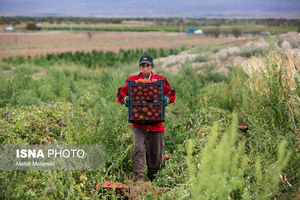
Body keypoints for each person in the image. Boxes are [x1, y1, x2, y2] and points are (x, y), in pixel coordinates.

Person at [116, 54, 176, 182]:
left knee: (156, 155)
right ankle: (139, 181)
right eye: (143, 66)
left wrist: (167, 99)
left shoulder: (160, 80)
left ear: (151, 67)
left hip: (156, 124)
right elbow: (120, 92)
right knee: (138, 149)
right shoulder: (132, 81)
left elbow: (172, 92)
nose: (145, 68)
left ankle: (153, 180)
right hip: (138, 123)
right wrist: (125, 99)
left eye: (147, 65)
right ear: (140, 67)